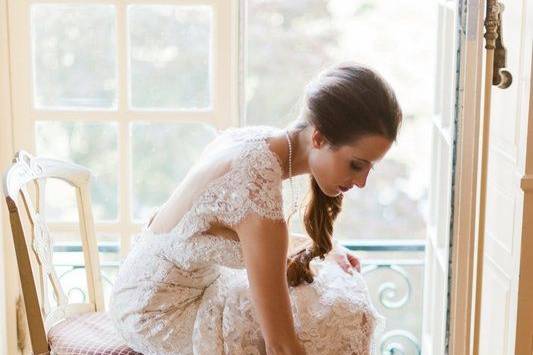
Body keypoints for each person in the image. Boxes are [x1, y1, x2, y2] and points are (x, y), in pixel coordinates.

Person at [108, 61, 402, 355]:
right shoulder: (256, 188)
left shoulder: (258, 141)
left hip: (142, 286)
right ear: (318, 137)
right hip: (158, 317)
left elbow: (233, 237)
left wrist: (326, 247)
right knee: (338, 312)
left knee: (331, 292)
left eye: (369, 169)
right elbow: (282, 345)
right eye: (356, 165)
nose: (362, 182)